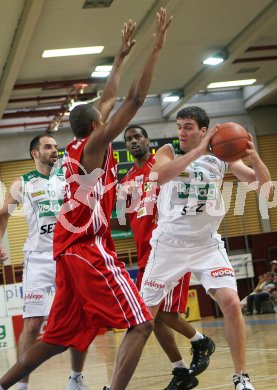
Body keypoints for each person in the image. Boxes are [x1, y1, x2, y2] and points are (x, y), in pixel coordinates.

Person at [0, 8, 172, 390]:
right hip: (85, 248)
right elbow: (135, 97)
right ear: (98, 126)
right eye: (104, 118)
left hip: (66, 250)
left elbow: (109, 96)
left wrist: (121, 55)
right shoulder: (95, 146)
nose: (108, 117)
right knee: (141, 323)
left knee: (56, 339)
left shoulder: (83, 141)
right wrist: (156, 46)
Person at [140, 106, 272, 390]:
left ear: (204, 130)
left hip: (206, 244)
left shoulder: (221, 159)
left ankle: (241, 377)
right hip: (169, 245)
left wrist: (254, 156)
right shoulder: (168, 152)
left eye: (188, 127)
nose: (181, 132)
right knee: (143, 319)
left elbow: (265, 190)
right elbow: (159, 177)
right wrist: (198, 151)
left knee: (232, 303)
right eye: (179, 126)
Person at [118, 125, 215, 389]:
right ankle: (181, 369)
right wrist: (120, 200)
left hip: (169, 248)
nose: (134, 141)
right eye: (129, 139)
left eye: (138, 136)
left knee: (161, 315)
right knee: (155, 316)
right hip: (143, 252)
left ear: (147, 140)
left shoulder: (163, 166)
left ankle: (199, 342)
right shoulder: (128, 179)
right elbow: (124, 221)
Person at [0, 133, 88, 390]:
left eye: (56, 147)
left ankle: (76, 378)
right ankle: (21, 385)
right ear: (34, 153)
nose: (54, 150)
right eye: (48, 147)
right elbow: (3, 213)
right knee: (33, 322)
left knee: (79, 318)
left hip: (68, 256)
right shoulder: (23, 183)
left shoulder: (69, 180)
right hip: (38, 259)